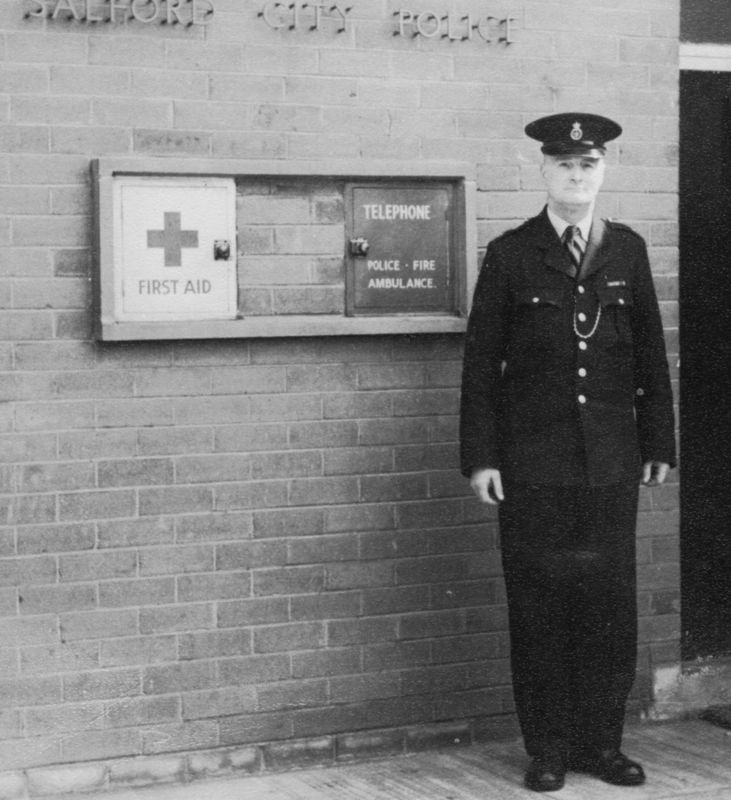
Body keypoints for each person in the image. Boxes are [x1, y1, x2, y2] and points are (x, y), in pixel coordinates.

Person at [459, 112, 676, 792]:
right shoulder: (511, 254)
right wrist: (481, 457)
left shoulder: (628, 250)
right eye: (563, 166)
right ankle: (547, 748)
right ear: (543, 172)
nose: (575, 176)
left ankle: (600, 746)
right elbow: (479, 366)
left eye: (587, 165)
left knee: (608, 607)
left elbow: (649, 354)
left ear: (602, 170)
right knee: (540, 605)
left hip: (610, 463)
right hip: (532, 468)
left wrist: (658, 442)